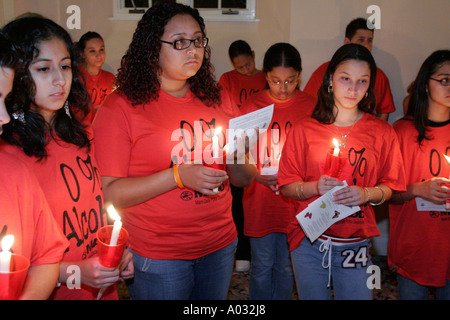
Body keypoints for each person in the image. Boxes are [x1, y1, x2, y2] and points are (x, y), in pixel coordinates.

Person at [92, 3, 256, 300]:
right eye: (180, 42)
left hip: (219, 244)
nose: (192, 49)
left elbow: (243, 179)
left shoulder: (218, 97)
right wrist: (178, 176)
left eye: (198, 40)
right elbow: (110, 192)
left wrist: (238, 153)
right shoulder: (120, 107)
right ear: (152, 47)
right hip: (159, 253)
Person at [1, 16, 133, 300]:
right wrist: (72, 271)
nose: (60, 80)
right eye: (43, 68)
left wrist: (116, 249)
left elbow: (96, 205)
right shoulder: (10, 156)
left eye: (65, 66)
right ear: (18, 74)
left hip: (99, 283)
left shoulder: (80, 133)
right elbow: (12, 259)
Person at [278, 43, 406, 300]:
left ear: (370, 85)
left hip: (354, 244)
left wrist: (366, 193)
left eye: (362, 81)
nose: (353, 88)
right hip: (310, 242)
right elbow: (286, 185)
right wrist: (315, 187)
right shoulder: (304, 129)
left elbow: (392, 187)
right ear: (330, 79)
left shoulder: (382, 132)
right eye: (345, 78)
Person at [240, 42, 315, 299]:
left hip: (294, 199)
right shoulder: (252, 107)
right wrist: (256, 174)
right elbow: (238, 154)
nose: (283, 89)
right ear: (265, 76)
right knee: (261, 266)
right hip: (260, 197)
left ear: (300, 76)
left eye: (290, 81)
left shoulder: (310, 106)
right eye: (275, 81)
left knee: (286, 266)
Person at [0, 31, 68, 300]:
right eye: (43, 68)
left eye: (4, 100)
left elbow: (46, 256)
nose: (4, 117)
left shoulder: (14, 171)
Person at [389, 50, 450, 300]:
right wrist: (418, 189)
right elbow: (385, 194)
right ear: (426, 85)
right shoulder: (402, 132)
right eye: (445, 80)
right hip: (414, 249)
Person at [219, 40, 266, 272]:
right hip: (238, 147)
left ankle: (259, 252)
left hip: (262, 146)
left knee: (259, 202)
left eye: (248, 65)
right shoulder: (227, 80)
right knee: (237, 201)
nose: (246, 70)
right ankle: (242, 252)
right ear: (232, 65)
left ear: (254, 56)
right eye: (240, 68)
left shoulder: (266, 77)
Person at [304, 17, 395, 121]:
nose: (366, 45)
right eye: (345, 78)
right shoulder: (324, 70)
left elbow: (384, 110)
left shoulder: (379, 75)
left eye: (369, 41)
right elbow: (308, 104)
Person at [76, 31, 115, 115]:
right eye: (92, 51)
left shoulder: (110, 78)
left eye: (101, 49)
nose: (98, 55)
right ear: (82, 53)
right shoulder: (76, 78)